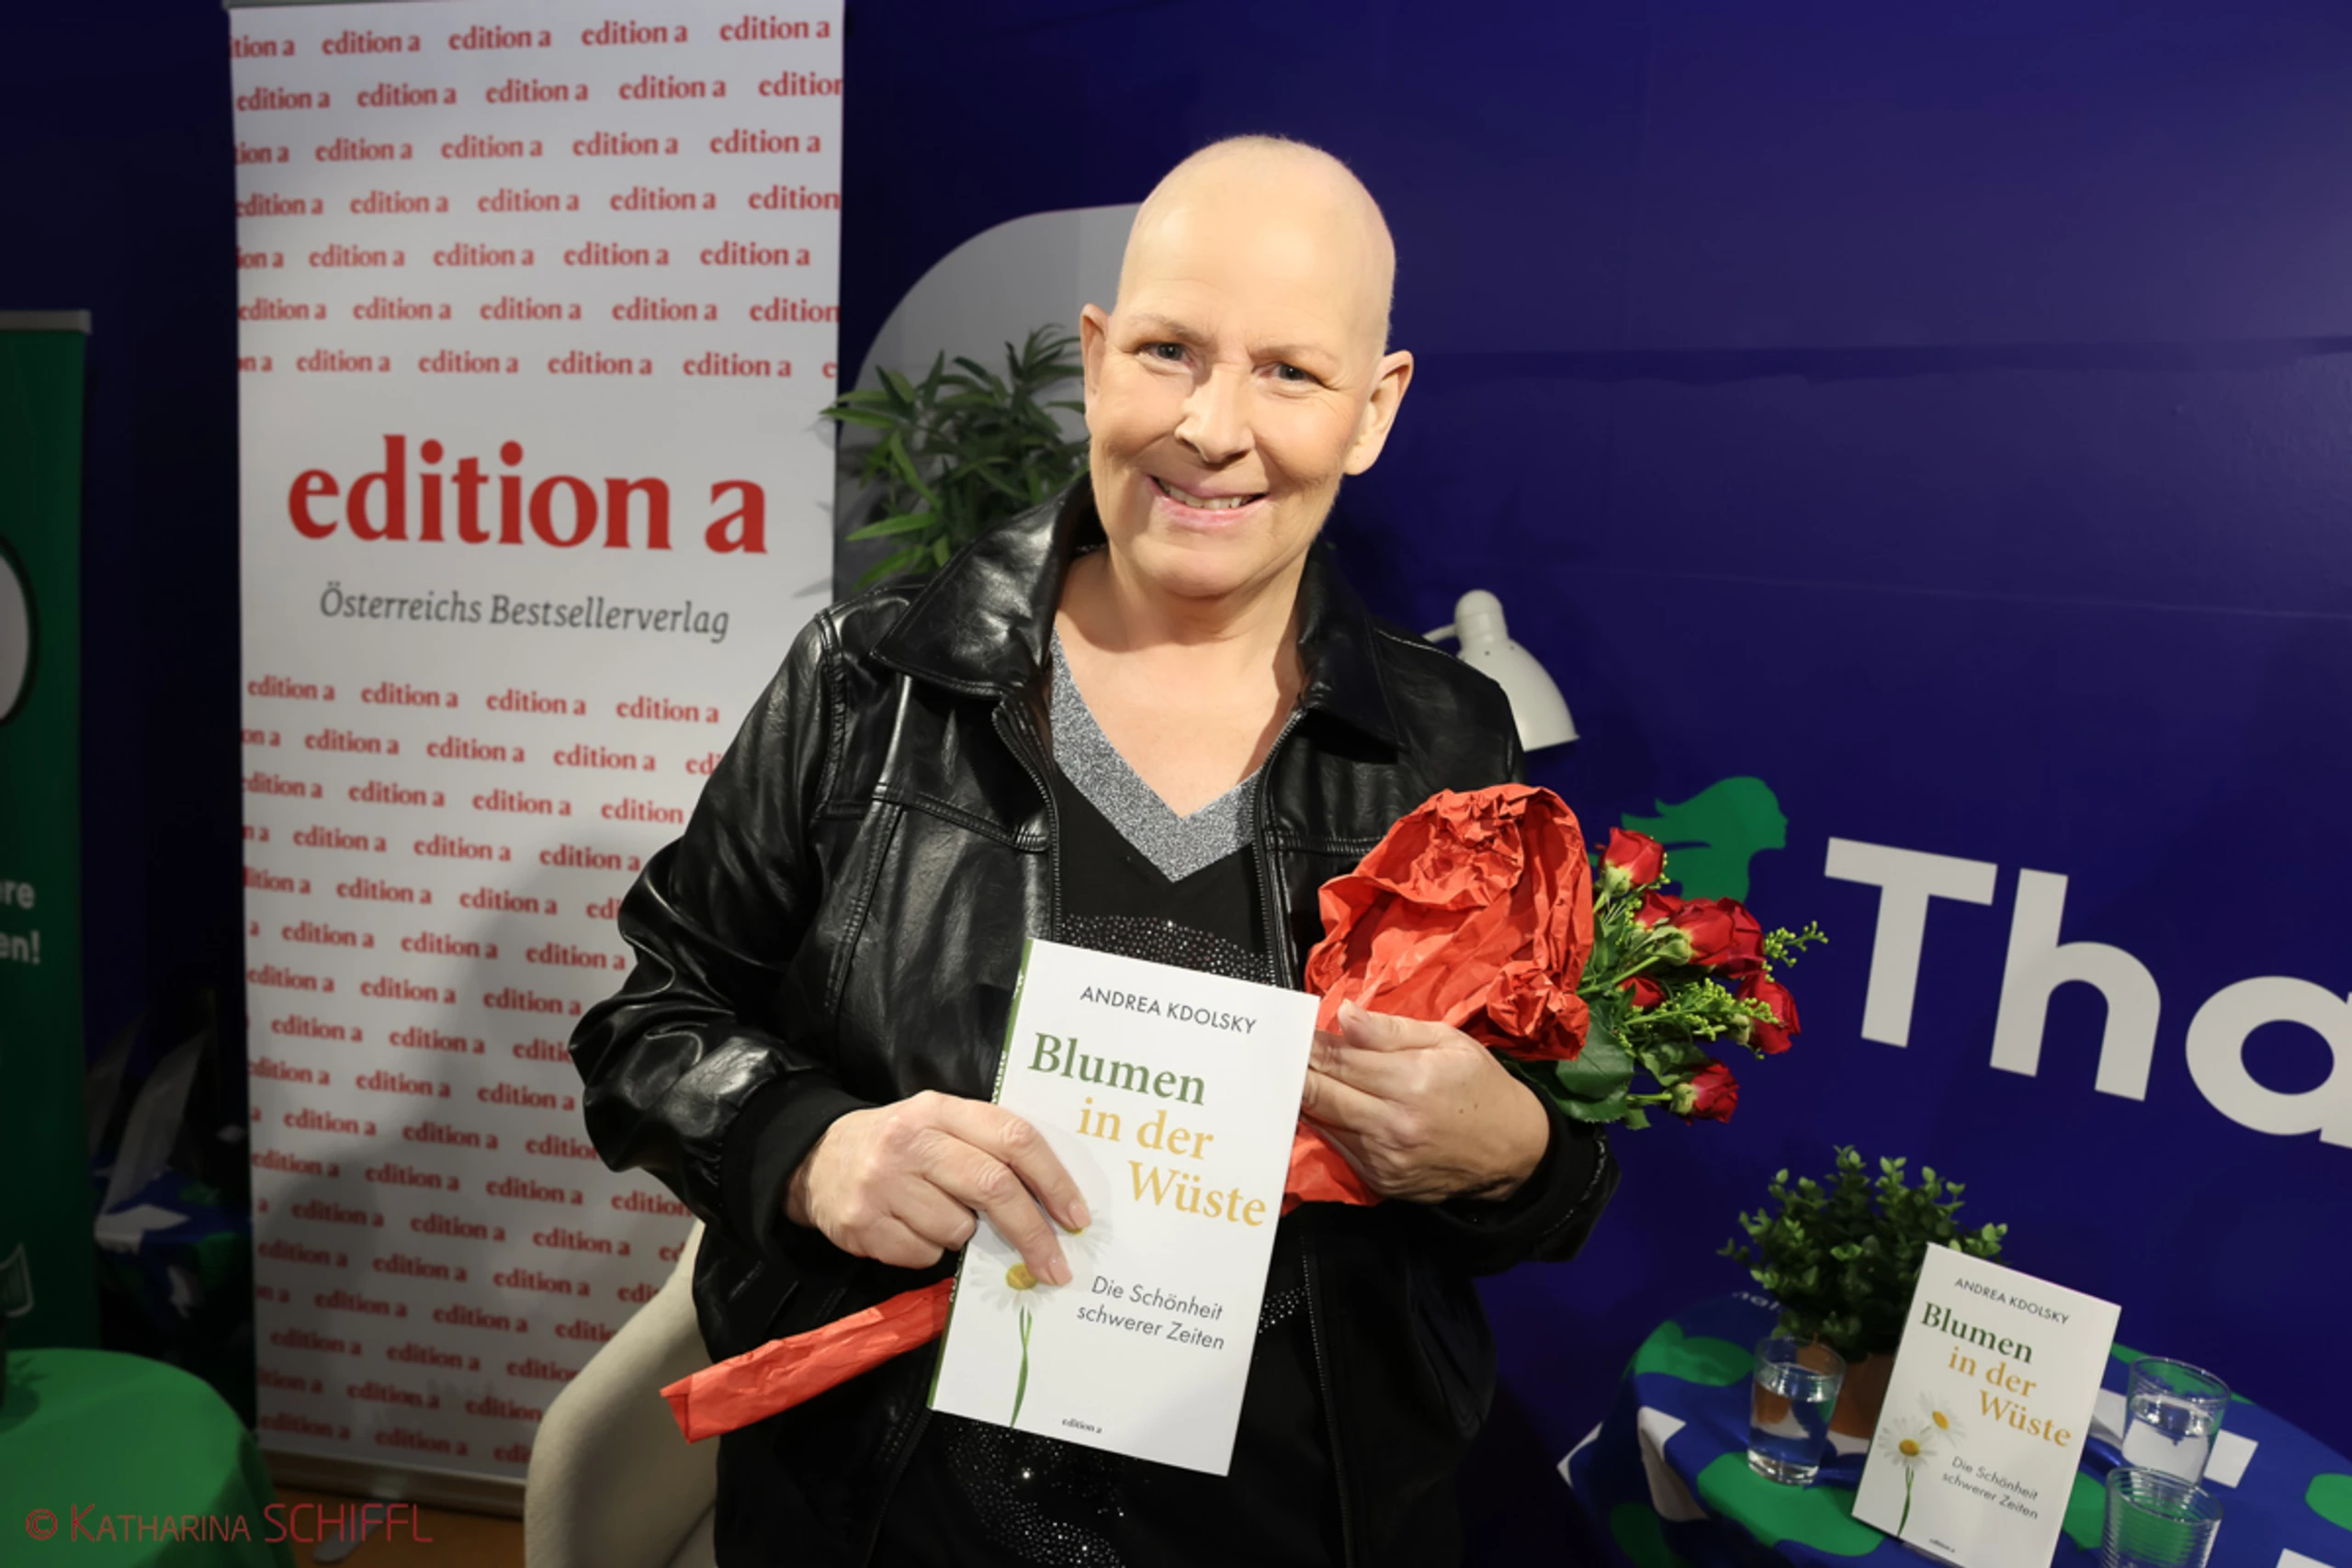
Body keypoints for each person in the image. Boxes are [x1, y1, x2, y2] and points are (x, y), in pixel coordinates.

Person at [571, 135, 1619, 1568]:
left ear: (1373, 409)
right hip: (885, 1525)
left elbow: (1530, 1174)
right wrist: (808, 1147)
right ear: (1096, 355)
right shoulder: (867, 686)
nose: (1213, 426)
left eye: (1290, 372)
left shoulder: (1451, 743)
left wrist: (1514, 1153)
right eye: (1170, 350)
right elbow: (648, 1024)